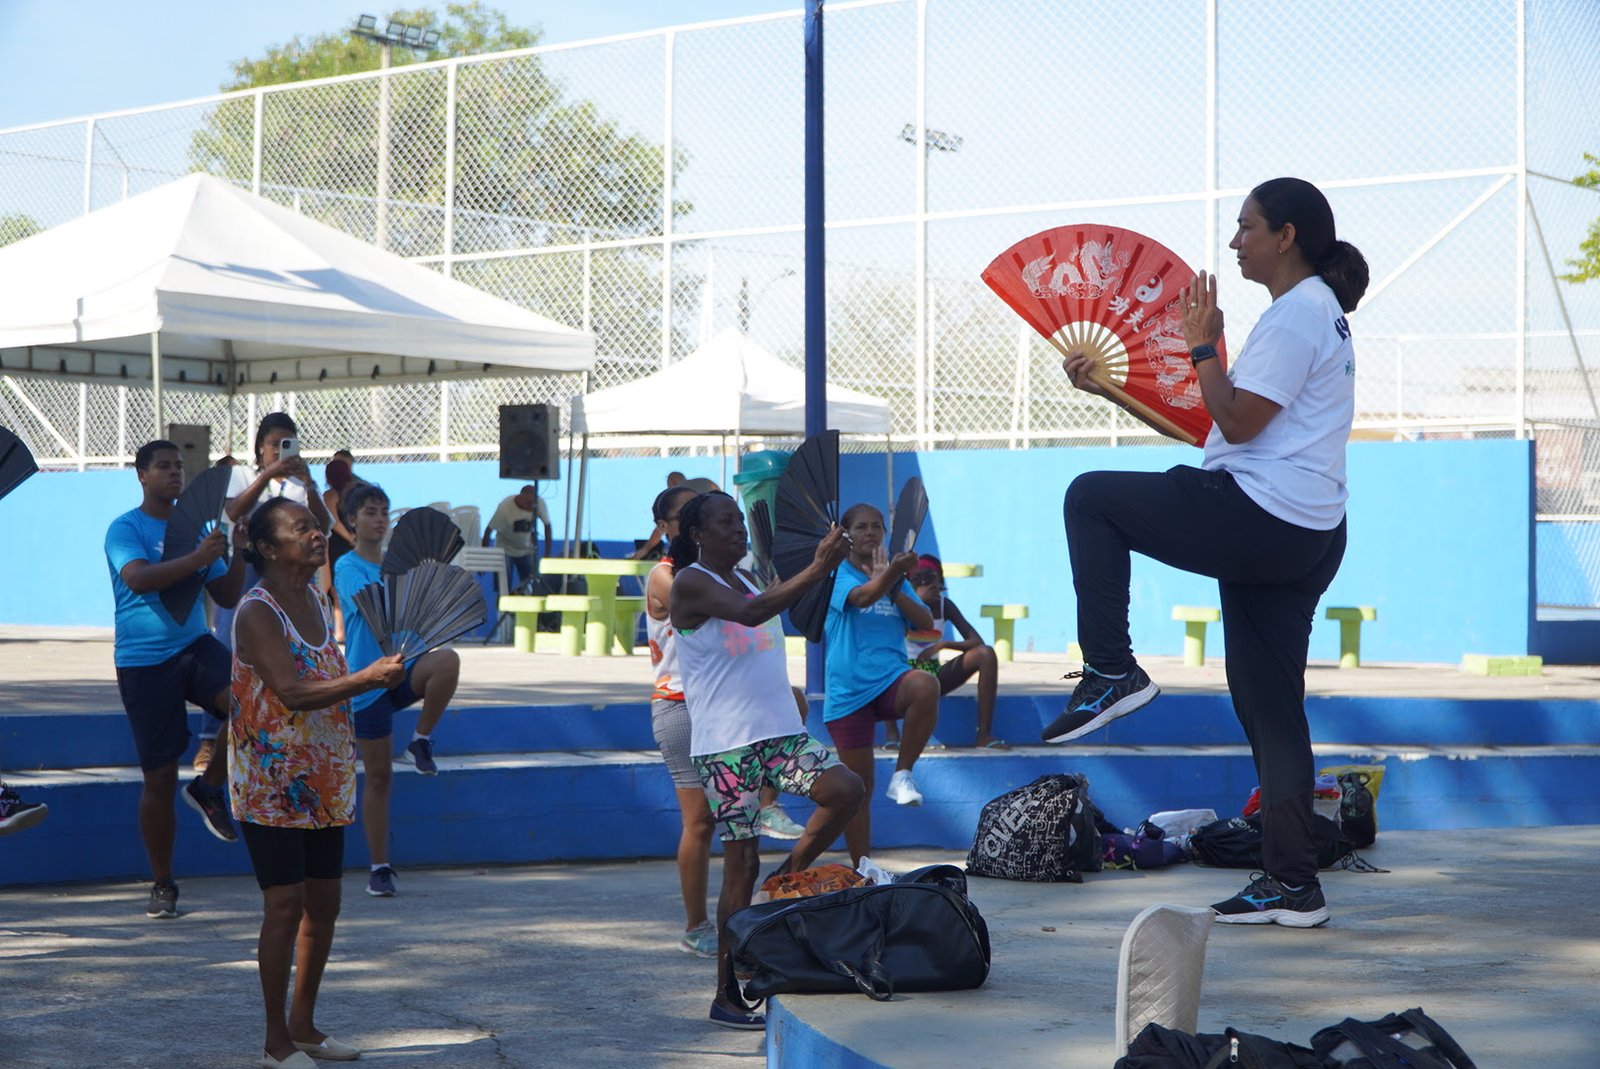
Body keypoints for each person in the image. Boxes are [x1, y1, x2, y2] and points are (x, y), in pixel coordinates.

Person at [1053, 177, 1367, 929]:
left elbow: (1240, 422)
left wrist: (1200, 340)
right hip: (1305, 529)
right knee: (1271, 709)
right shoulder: (1312, 315)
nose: (1235, 242)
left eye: (1246, 227)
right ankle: (1291, 884)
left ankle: (1109, 670)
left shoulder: (1296, 316)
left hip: (1261, 517)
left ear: (1286, 235)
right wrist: (1113, 391)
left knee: (1089, 497)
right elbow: (1215, 428)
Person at [669, 491, 864, 1030]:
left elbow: (775, 605)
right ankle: (727, 994)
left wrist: (825, 573)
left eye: (740, 522)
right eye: (724, 523)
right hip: (727, 748)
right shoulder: (691, 582)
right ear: (698, 536)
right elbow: (752, 615)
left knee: (845, 790)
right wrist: (819, 566)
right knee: (740, 865)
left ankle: (790, 876)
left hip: (780, 737)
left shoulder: (751, 577)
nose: (738, 530)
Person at [231, 497, 406, 1068]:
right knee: (284, 906)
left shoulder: (313, 595)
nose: (317, 535)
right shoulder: (257, 611)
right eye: (301, 528)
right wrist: (366, 678)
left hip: (325, 781)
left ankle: (304, 1026)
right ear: (266, 546)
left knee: (324, 903)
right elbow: (291, 693)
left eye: (315, 525)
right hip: (272, 783)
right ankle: (275, 1039)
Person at [642, 486, 806, 957]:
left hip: (726, 704)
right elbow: (731, 609)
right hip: (681, 705)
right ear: (674, 528)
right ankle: (697, 924)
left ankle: (768, 805)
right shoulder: (668, 576)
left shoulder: (733, 574)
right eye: (684, 515)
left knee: (794, 701)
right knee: (700, 824)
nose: (729, 528)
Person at [105, 439, 247, 918]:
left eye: (179, 467)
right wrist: (199, 556)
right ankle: (163, 882)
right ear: (141, 475)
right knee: (159, 777)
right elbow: (140, 578)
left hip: (194, 645)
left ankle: (209, 786)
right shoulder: (126, 527)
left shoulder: (200, 529)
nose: (174, 474)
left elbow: (227, 595)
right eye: (163, 467)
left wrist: (239, 553)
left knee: (253, 700)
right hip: (144, 660)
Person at [333, 481, 462, 898]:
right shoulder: (348, 567)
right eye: (369, 512)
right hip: (369, 680)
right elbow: (375, 613)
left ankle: (421, 740)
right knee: (379, 776)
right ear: (351, 521)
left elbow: (419, 612)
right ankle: (379, 867)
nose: (379, 519)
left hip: (404, 667)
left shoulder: (401, 566)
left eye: (383, 512)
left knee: (447, 661)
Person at [202, 413, 331, 770]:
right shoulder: (243, 475)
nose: (279, 450)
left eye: (287, 443)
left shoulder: (298, 486)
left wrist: (309, 485)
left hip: (284, 575)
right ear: (260, 447)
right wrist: (267, 476)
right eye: (274, 443)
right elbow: (233, 510)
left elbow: (326, 524)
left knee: (288, 647)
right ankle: (210, 737)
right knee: (230, 646)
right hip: (246, 567)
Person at [820, 504, 941, 864]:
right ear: (846, 534)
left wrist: (894, 583)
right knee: (858, 790)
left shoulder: (894, 577)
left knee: (925, 685)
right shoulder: (835, 573)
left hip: (890, 679)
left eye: (877, 526)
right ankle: (864, 868)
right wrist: (888, 577)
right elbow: (862, 597)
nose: (871, 532)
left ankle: (903, 773)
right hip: (849, 690)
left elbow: (924, 619)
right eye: (861, 527)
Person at [884, 554, 1007, 749]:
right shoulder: (901, 605)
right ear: (910, 585)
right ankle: (892, 736)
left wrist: (943, 645)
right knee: (882, 661)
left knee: (986, 654)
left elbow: (976, 641)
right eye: (921, 580)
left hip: (933, 675)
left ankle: (983, 735)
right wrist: (918, 604)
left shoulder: (944, 605)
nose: (929, 584)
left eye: (933, 578)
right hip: (902, 676)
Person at [483, 483, 552, 592]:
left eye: (534, 503)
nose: (532, 507)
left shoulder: (539, 503)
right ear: (521, 498)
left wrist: (547, 555)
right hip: (504, 550)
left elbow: (547, 526)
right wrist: (483, 560)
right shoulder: (504, 507)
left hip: (526, 550)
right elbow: (488, 531)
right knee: (503, 588)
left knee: (532, 587)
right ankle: (502, 607)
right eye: (529, 503)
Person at [321, 450, 359, 643]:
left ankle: (340, 630)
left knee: (336, 589)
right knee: (346, 588)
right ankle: (345, 629)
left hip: (337, 544)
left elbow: (333, 522)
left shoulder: (330, 495)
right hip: (352, 542)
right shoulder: (355, 494)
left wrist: (349, 538)